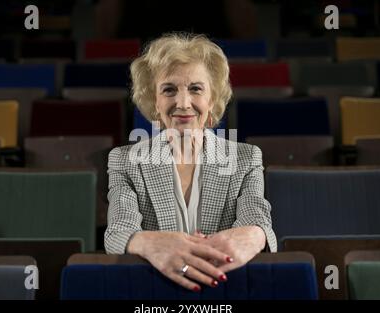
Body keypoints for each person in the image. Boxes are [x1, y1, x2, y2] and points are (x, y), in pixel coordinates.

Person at [105, 33, 277, 292]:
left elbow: (257, 219)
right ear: (154, 100)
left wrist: (254, 235)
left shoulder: (246, 157)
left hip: (228, 290)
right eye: (169, 90)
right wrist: (152, 244)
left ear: (212, 97)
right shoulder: (124, 160)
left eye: (196, 88)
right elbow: (118, 232)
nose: (183, 103)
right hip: (152, 290)